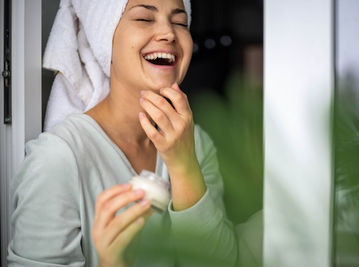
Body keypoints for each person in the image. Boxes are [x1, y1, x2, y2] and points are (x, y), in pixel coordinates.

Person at [7, 0, 237, 266]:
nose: (169, 33)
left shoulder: (196, 144)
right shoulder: (57, 159)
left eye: (180, 22)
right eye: (144, 19)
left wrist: (184, 165)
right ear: (106, 38)